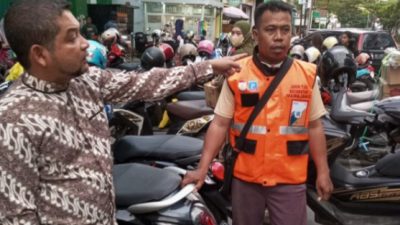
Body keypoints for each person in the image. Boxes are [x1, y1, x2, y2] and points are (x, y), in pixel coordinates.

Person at [0, 0, 246, 224]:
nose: (86, 44)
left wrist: (209, 66)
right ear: (40, 54)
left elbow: (145, 83)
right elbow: (16, 215)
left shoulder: (86, 81)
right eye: (72, 37)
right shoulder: (12, 119)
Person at [182, 2, 333, 225]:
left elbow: (314, 127)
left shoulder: (306, 75)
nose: (279, 37)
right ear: (255, 33)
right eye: (271, 30)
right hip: (246, 179)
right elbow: (220, 124)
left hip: (290, 180)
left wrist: (323, 172)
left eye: (285, 30)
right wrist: (202, 169)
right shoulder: (236, 74)